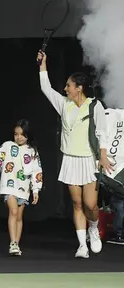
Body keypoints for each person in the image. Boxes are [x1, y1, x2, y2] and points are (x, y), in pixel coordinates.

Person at [37, 51, 113, 258]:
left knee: (91, 205)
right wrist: (43, 64)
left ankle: (94, 229)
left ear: (79, 88)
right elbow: (46, 88)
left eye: (68, 85)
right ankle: (82, 245)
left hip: (88, 160)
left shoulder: (95, 105)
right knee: (77, 204)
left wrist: (103, 155)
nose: (65, 89)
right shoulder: (64, 104)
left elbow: (102, 132)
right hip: (70, 159)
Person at [0, 119, 43, 256]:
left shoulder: (32, 152)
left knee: (19, 216)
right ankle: (13, 243)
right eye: (16, 134)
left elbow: (36, 171)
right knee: (13, 211)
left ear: (27, 135)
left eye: (22, 134)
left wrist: (36, 189)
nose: (18, 137)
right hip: (8, 186)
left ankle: (16, 244)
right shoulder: (7, 146)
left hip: (24, 188)